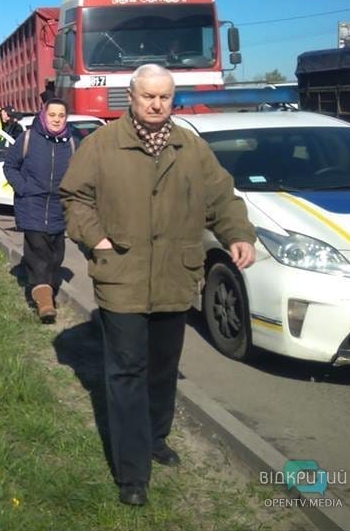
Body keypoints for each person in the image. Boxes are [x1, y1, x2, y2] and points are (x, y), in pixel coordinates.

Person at [59, 64, 256, 508]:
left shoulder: (191, 146)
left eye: (164, 97)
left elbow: (221, 197)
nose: (155, 104)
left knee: (163, 366)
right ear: (131, 97)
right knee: (127, 371)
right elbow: (75, 197)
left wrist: (238, 234)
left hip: (175, 274)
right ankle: (132, 474)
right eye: (147, 96)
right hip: (122, 274)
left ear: (172, 99)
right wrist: (97, 239)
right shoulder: (102, 144)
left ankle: (156, 436)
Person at [2, 98, 75, 323]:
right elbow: (10, 166)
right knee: (38, 253)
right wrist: (24, 188)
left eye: (61, 115)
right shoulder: (28, 138)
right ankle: (44, 304)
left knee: (55, 255)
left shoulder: (72, 142)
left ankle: (46, 291)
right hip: (31, 204)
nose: (56, 119)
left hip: (58, 206)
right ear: (44, 115)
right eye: (52, 114)